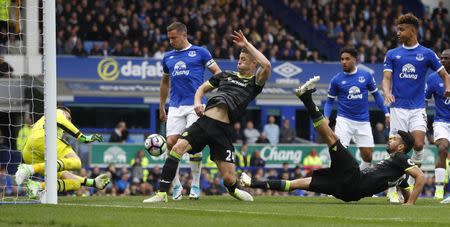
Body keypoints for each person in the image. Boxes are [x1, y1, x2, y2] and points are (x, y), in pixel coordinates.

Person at [241, 76, 426, 205]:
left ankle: (307, 99)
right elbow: (406, 187)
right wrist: (408, 199)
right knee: (297, 183)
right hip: (347, 191)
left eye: (394, 139)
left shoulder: (400, 159)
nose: (389, 140)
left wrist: (409, 204)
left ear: (401, 147)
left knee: (332, 138)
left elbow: (421, 177)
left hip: (354, 179)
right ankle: (251, 183)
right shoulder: (399, 173)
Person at [143, 30, 271, 203]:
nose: (239, 61)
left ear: (254, 64)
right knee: (176, 149)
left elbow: (267, 65)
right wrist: (197, 102)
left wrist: (247, 44)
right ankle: (162, 193)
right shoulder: (225, 75)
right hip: (204, 123)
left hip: (223, 130)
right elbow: (202, 89)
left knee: (228, 178)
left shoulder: (254, 83)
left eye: (244, 59)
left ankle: (233, 190)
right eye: (239, 58)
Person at [382, 13, 450, 202]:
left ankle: (412, 179)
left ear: (413, 31)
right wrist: (387, 92)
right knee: (396, 150)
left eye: (402, 29)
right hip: (397, 108)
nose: (398, 33)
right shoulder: (392, 54)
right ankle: (392, 189)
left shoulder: (427, 54)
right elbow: (386, 78)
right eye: (398, 29)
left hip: (417, 107)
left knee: (418, 144)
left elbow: (444, 74)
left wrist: (448, 87)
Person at [159, 22, 222, 200]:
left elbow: (218, 73)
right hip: (175, 106)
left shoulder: (201, 52)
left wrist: (203, 92)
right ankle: (177, 186)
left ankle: (195, 184)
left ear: (184, 35)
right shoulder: (168, 57)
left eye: (174, 38)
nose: (170, 41)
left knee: (193, 144)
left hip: (195, 105)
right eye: (169, 38)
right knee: (171, 143)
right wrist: (161, 105)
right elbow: (164, 82)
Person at [15, 107, 110, 198]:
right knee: (76, 162)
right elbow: (61, 120)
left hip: (28, 151)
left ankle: (37, 186)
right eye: (69, 118)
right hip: (43, 138)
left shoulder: (43, 121)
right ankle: (30, 169)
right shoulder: (58, 112)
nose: (70, 121)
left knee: (73, 182)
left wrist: (93, 183)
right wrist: (84, 138)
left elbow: (67, 175)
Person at [325, 47, 389, 171]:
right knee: (338, 153)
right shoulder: (336, 80)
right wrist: (326, 117)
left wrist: (386, 113)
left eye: (347, 59)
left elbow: (377, 95)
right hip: (344, 120)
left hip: (363, 121)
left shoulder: (366, 76)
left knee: (368, 156)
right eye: (342, 59)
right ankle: (331, 185)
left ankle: (358, 179)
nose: (344, 62)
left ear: (355, 59)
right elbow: (329, 101)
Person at [425, 49, 450, 200]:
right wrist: (423, 118)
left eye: (446, 58)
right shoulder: (433, 78)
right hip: (441, 121)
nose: (443, 60)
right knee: (443, 148)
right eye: (441, 58)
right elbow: (425, 100)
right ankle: (439, 189)